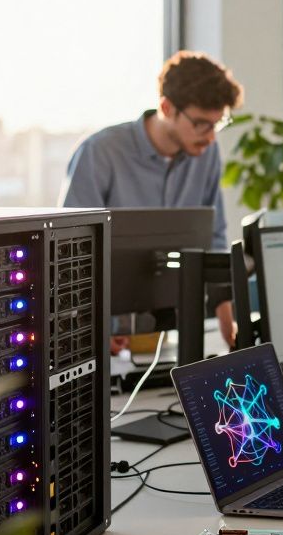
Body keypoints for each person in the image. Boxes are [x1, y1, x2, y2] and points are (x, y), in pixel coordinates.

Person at [61, 50, 242, 347]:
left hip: (175, 331)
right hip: (106, 334)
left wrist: (227, 318)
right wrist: (86, 330)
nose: (211, 137)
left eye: (217, 124)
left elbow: (215, 237)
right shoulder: (100, 153)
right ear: (167, 107)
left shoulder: (206, 154)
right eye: (201, 124)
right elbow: (70, 254)